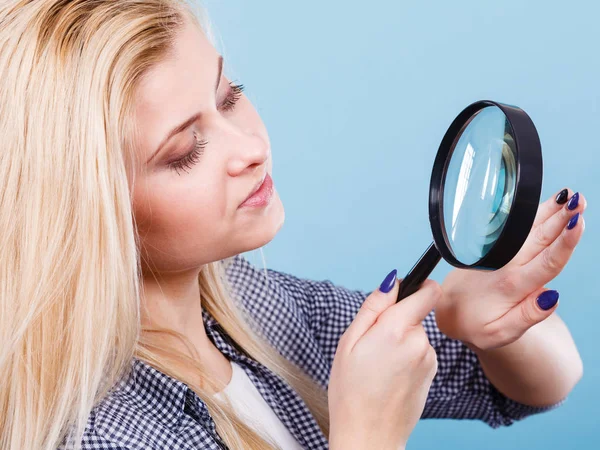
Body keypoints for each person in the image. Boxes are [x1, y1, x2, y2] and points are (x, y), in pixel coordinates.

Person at [0, 1, 586, 449]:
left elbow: (541, 384)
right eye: (184, 151)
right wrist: (366, 435)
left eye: (229, 97)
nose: (249, 148)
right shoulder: (97, 434)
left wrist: (475, 319)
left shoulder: (261, 306)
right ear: (86, 211)